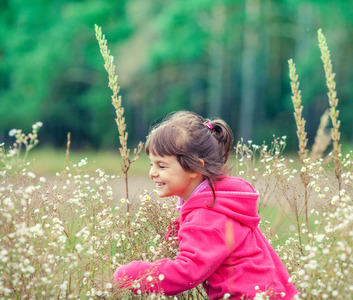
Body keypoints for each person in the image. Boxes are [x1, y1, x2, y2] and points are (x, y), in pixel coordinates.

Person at [114, 111, 299, 299]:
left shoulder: (207, 215)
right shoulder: (220, 202)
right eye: (151, 164)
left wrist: (133, 275)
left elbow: (187, 271)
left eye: (161, 166)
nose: (153, 173)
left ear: (194, 168)